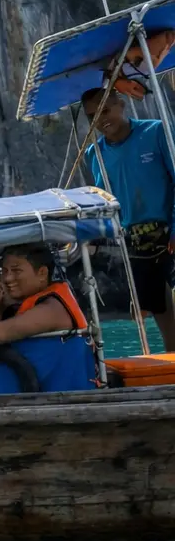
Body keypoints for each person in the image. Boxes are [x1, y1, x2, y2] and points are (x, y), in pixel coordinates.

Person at [80, 86, 175, 350]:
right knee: (160, 310)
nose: (100, 119)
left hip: (169, 231)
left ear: (120, 105)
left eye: (105, 110)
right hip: (135, 242)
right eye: (92, 116)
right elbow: (106, 204)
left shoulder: (155, 132)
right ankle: (171, 369)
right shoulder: (94, 154)